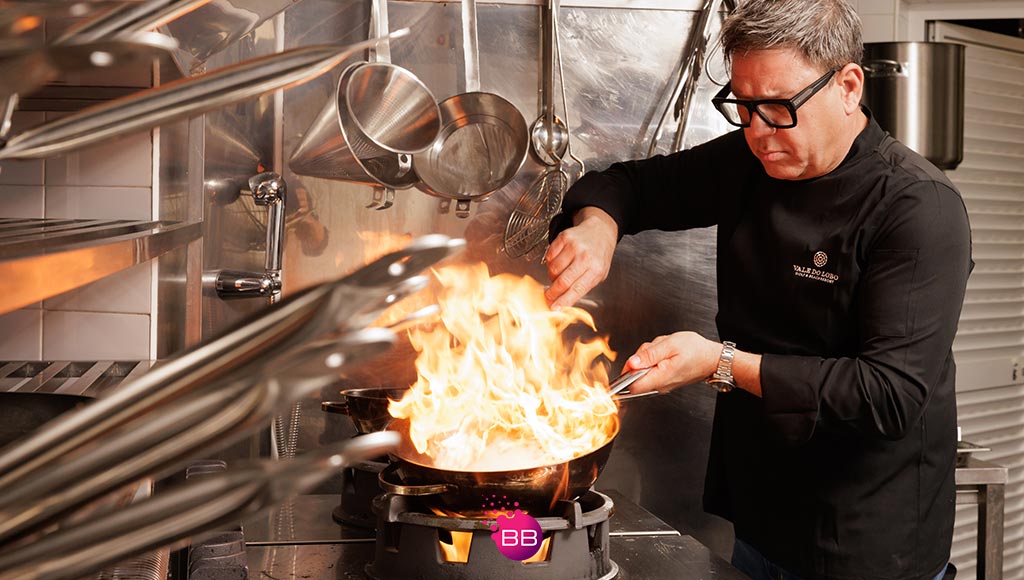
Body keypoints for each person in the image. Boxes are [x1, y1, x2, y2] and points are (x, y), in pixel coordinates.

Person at [544, 1, 972, 579]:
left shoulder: (917, 207)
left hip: (865, 540)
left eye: (776, 108)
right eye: (742, 108)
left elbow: (887, 393)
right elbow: (629, 186)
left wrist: (718, 363)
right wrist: (600, 225)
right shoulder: (753, 159)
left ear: (848, 86)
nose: (757, 132)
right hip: (762, 517)